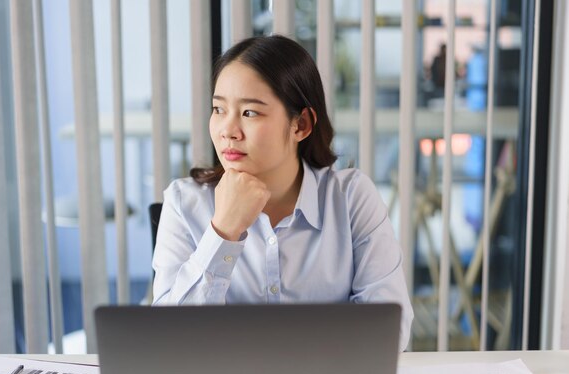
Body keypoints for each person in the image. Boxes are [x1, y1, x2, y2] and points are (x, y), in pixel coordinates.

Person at [151, 35, 413, 351]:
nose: (227, 130)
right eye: (218, 109)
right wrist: (223, 233)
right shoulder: (184, 203)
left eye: (249, 113)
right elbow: (167, 344)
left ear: (301, 124)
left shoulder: (352, 198)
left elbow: (390, 330)